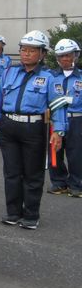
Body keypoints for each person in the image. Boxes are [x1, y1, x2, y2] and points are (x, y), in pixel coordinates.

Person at [0, 31, 66, 230]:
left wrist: (58, 130)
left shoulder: (49, 77)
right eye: (23, 49)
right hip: (9, 126)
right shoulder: (9, 72)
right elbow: (0, 95)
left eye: (32, 50)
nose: (26, 54)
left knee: (33, 173)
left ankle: (31, 215)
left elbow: (58, 105)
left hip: (33, 128)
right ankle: (13, 212)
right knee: (12, 172)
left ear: (42, 53)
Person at [49, 39, 82, 197]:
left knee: (76, 153)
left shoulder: (81, 77)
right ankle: (59, 182)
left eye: (68, 55)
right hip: (55, 119)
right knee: (55, 150)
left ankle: (76, 184)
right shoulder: (51, 76)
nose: (64, 59)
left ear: (75, 55)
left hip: (76, 119)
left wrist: (69, 100)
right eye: (61, 56)